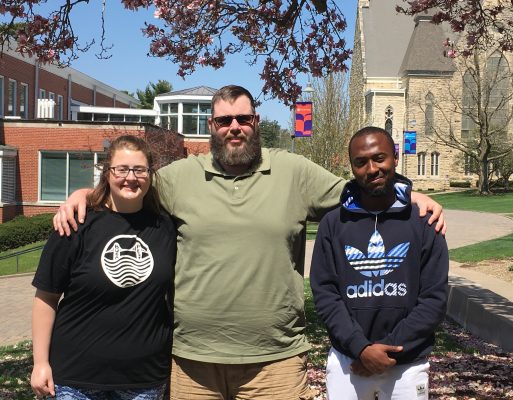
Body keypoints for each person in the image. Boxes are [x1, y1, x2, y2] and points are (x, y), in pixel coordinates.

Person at [53, 86, 446, 400]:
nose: (234, 127)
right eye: (224, 120)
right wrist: (84, 196)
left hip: (275, 361)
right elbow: (128, 187)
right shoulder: (178, 178)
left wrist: (409, 195)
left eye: (243, 118)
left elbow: (361, 187)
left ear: (256, 121)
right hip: (193, 362)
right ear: (211, 126)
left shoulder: (293, 170)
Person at [31, 135, 176, 400]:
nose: (130, 177)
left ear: (150, 174)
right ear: (107, 173)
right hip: (75, 379)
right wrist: (40, 363)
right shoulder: (76, 223)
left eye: (139, 169)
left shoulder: (166, 227)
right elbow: (46, 297)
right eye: (121, 169)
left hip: (143, 380)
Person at [310, 126, 449, 400]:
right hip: (347, 362)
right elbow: (325, 295)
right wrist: (361, 349)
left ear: (395, 158)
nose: (371, 169)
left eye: (379, 158)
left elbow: (434, 299)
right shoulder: (333, 224)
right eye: (360, 162)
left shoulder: (424, 222)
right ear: (351, 167)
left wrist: (388, 349)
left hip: (407, 364)